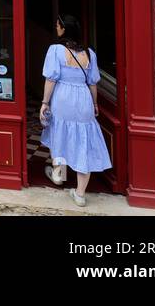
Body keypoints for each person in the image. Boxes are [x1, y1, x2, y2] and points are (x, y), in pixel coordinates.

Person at [40, 14, 111, 207]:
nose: (56, 29)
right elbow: (93, 83)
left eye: (57, 26)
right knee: (84, 142)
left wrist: (45, 102)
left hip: (63, 98)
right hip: (83, 99)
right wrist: (95, 104)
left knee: (60, 134)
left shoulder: (56, 50)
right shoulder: (89, 53)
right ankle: (80, 193)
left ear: (63, 29)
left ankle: (58, 175)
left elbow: (51, 79)